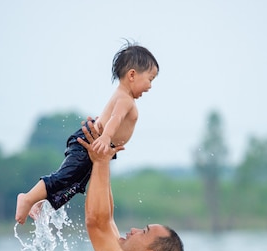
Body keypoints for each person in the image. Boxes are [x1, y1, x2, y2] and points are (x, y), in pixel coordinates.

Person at [15, 41, 160, 224]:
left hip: (97, 145)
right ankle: (27, 198)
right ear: (132, 75)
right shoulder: (125, 100)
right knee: (65, 177)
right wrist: (106, 137)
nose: (150, 86)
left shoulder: (124, 96)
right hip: (91, 142)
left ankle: (41, 202)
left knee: (75, 185)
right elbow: (115, 118)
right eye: (150, 79)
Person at [77, 119, 184, 251]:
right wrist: (103, 160)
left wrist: (100, 162)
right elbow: (106, 220)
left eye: (144, 231)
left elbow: (96, 223)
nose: (134, 229)